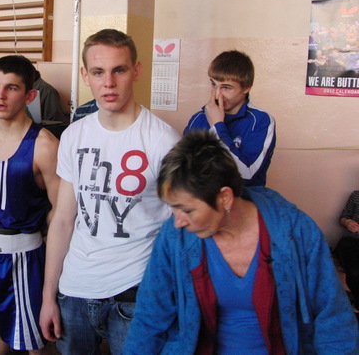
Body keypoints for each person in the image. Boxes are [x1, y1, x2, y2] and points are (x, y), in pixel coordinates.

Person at [122, 131, 359, 354]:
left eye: (188, 210)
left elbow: (334, 319)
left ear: (224, 197)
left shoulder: (296, 232)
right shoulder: (174, 238)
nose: (178, 222)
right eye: (173, 209)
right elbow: (150, 318)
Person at [40, 29, 180, 355]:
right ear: (85, 75)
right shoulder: (74, 135)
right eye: (98, 72)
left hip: (134, 296)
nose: (109, 83)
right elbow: (63, 219)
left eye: (119, 70)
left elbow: (179, 227)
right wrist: (48, 296)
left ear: (137, 71)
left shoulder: (163, 141)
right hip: (74, 291)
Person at [0, 54, 60, 354]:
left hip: (23, 257)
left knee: (32, 338)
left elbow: (60, 212)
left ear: (29, 96)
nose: (0, 96)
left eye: (11, 88)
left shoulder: (45, 145)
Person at [184, 50, 275, 187]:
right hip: (203, 198)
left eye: (226, 88)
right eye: (213, 85)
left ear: (246, 88)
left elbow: (246, 175)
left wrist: (217, 126)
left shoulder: (261, 121)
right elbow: (183, 171)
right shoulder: (198, 118)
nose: (217, 95)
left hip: (244, 197)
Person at [335, 190, 359, 316]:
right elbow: (343, 218)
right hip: (351, 240)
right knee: (354, 271)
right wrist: (348, 222)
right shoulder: (356, 195)